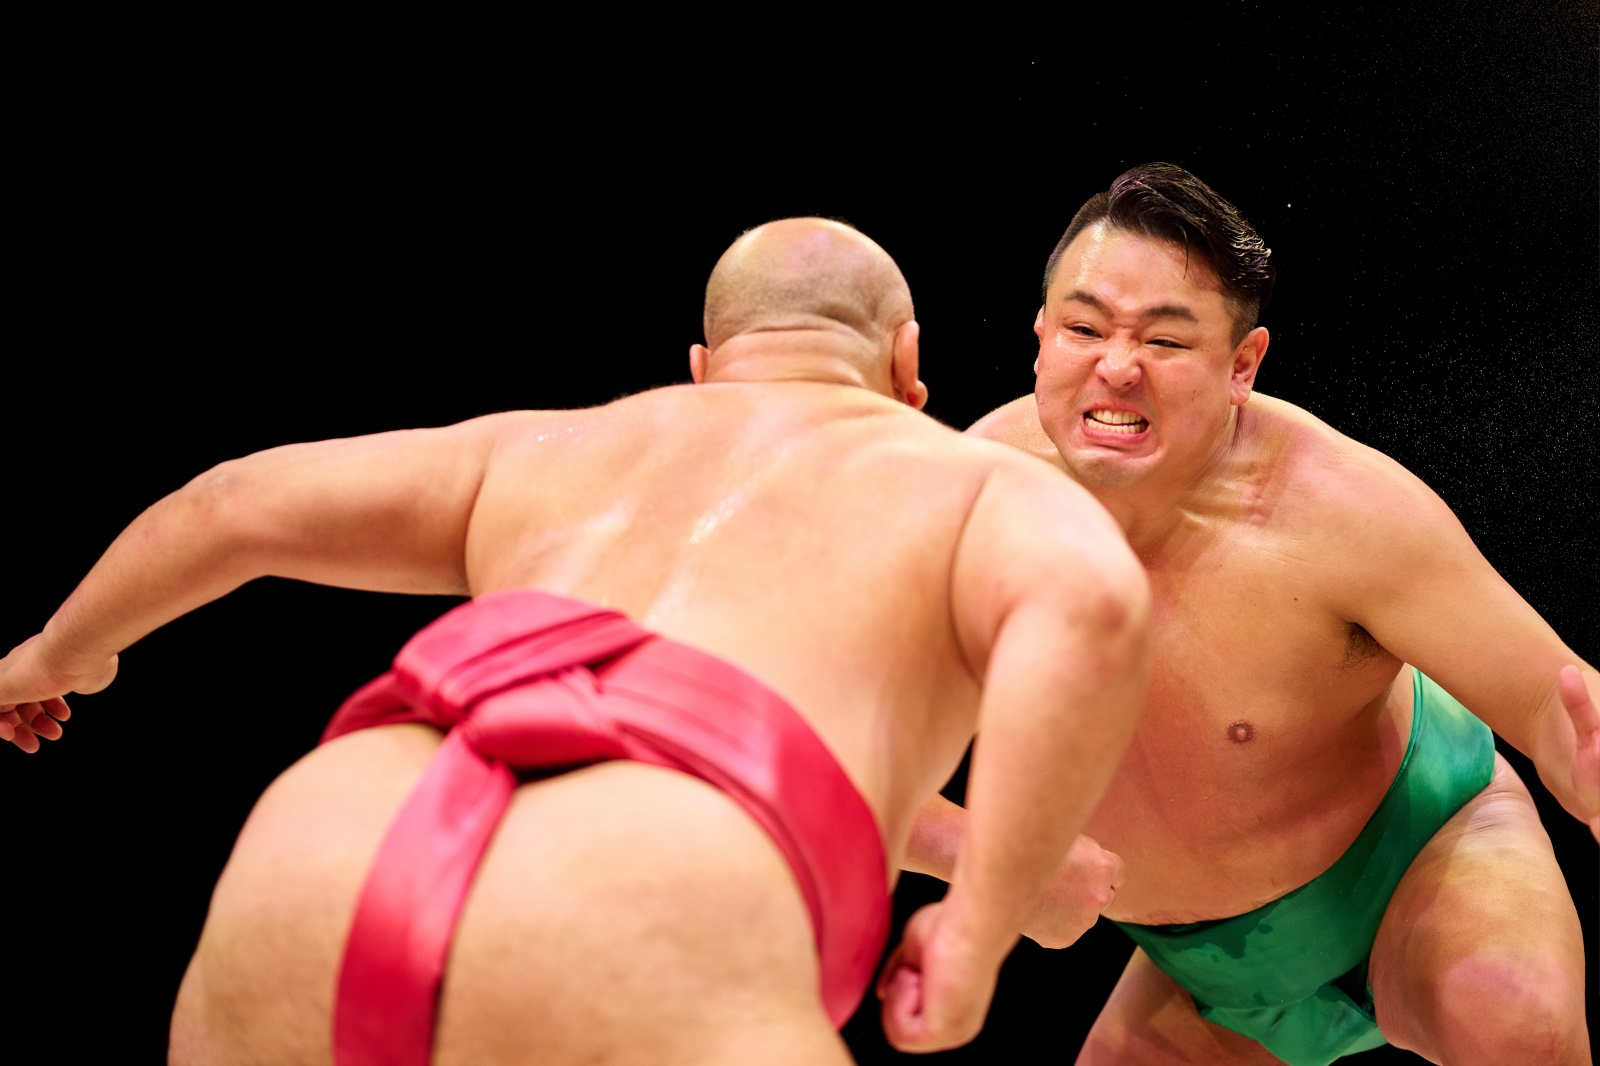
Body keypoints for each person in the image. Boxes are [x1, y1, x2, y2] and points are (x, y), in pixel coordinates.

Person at [0, 218, 1151, 1066]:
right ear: (907, 364)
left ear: (703, 366)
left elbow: (229, 505)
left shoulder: (541, 447)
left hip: (312, 866)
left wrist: (55, 655)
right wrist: (972, 936)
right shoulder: (967, 481)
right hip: (637, 917)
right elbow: (1093, 606)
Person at [907, 164, 1597, 1065]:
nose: (1117, 367)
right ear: (1041, 336)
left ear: (1242, 365)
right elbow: (802, 753)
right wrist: (976, 857)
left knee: (1510, 1017)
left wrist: (1585, 770)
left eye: (1164, 339)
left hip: (1424, 854)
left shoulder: (1345, 513)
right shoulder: (963, 508)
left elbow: (1557, 705)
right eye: (1084, 328)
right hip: (1203, 972)